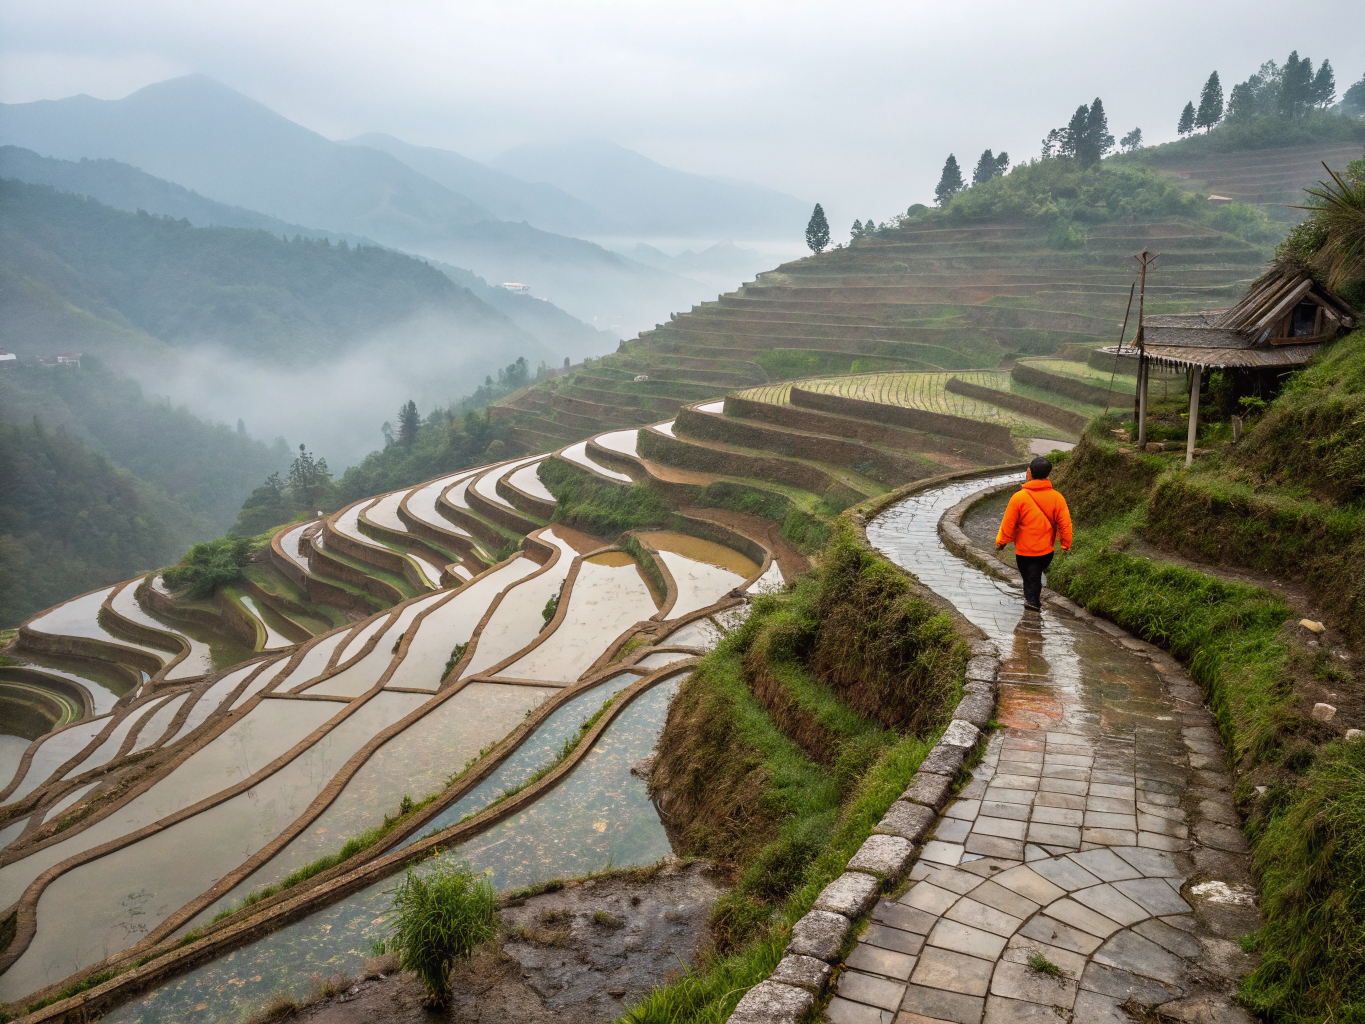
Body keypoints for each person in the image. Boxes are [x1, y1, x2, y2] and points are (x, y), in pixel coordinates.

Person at [996, 456, 1072, 612]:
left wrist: (1002, 541)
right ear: (1048, 475)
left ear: (1029, 473)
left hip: (1024, 552)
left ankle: (1032, 604)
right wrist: (1065, 543)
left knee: (1030, 577)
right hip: (1046, 551)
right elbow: (1065, 523)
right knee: (1034, 575)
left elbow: (1008, 523)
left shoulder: (1019, 497)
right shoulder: (1057, 497)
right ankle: (1032, 601)